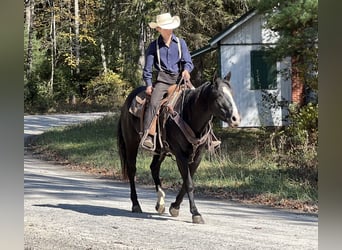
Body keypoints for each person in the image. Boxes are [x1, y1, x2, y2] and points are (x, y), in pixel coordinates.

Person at [141, 13, 221, 150]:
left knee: (200, 100)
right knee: (154, 103)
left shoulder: (180, 43)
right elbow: (147, 69)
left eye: (170, 27)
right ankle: (149, 135)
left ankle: (209, 136)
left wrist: (186, 70)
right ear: (159, 29)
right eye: (165, 28)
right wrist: (149, 84)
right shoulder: (154, 46)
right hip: (162, 81)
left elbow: (188, 62)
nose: (169, 30)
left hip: (180, 79)